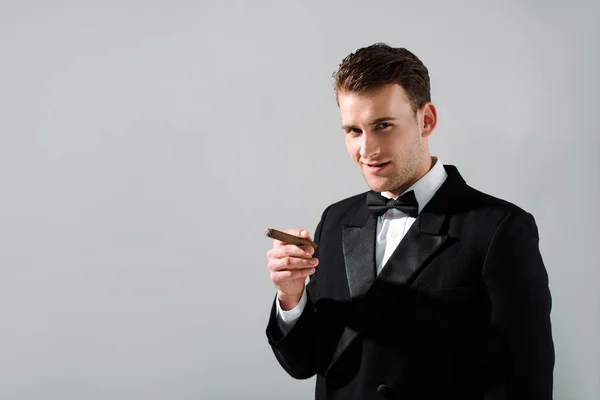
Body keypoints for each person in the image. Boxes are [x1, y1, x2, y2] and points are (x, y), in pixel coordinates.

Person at [265, 43, 554, 399]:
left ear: (426, 120)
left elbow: (523, 383)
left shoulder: (501, 229)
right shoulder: (336, 219)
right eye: (353, 131)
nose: (366, 150)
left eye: (382, 125)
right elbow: (303, 363)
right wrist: (290, 297)